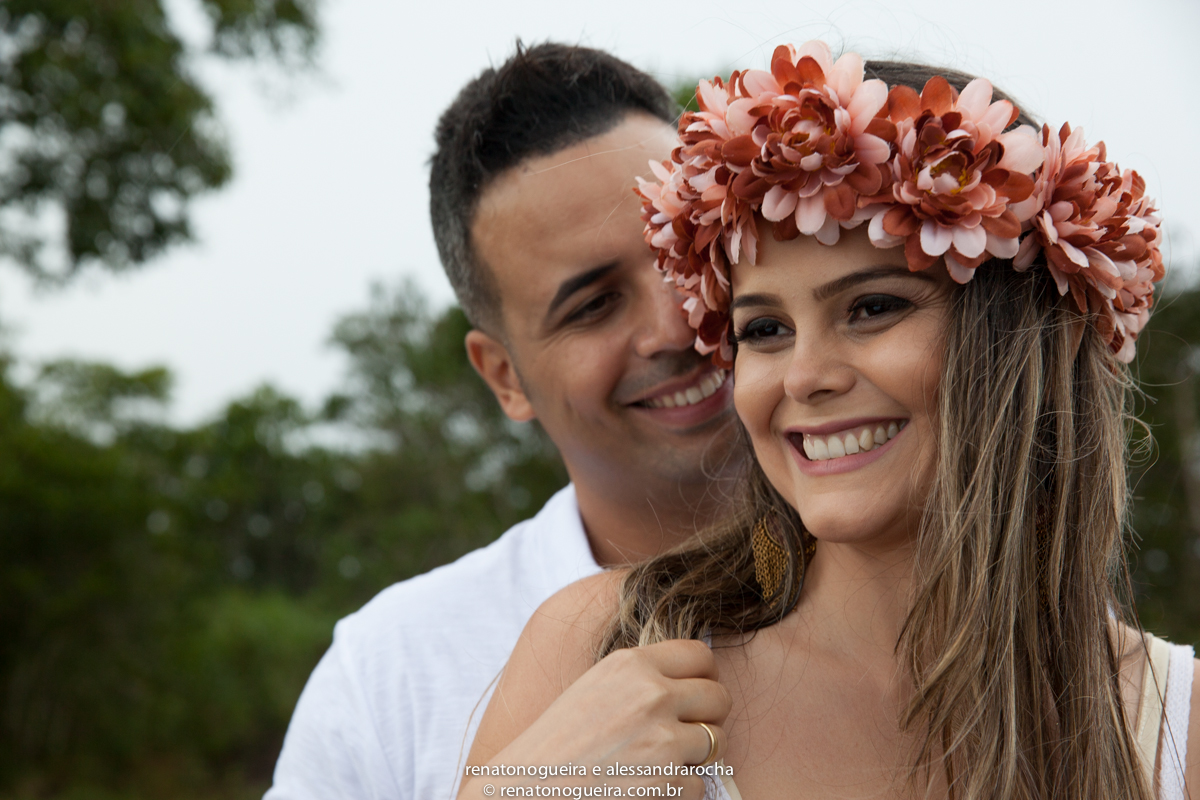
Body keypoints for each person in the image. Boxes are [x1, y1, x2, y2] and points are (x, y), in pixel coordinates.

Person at [456, 41, 1200, 800]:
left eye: (871, 308)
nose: (804, 377)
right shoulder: (602, 654)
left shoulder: (1179, 730)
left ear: (1042, 335)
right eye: (764, 330)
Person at [264, 43, 742, 800]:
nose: (677, 325)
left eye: (686, 253)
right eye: (594, 305)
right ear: (504, 377)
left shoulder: (933, 563)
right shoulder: (389, 676)